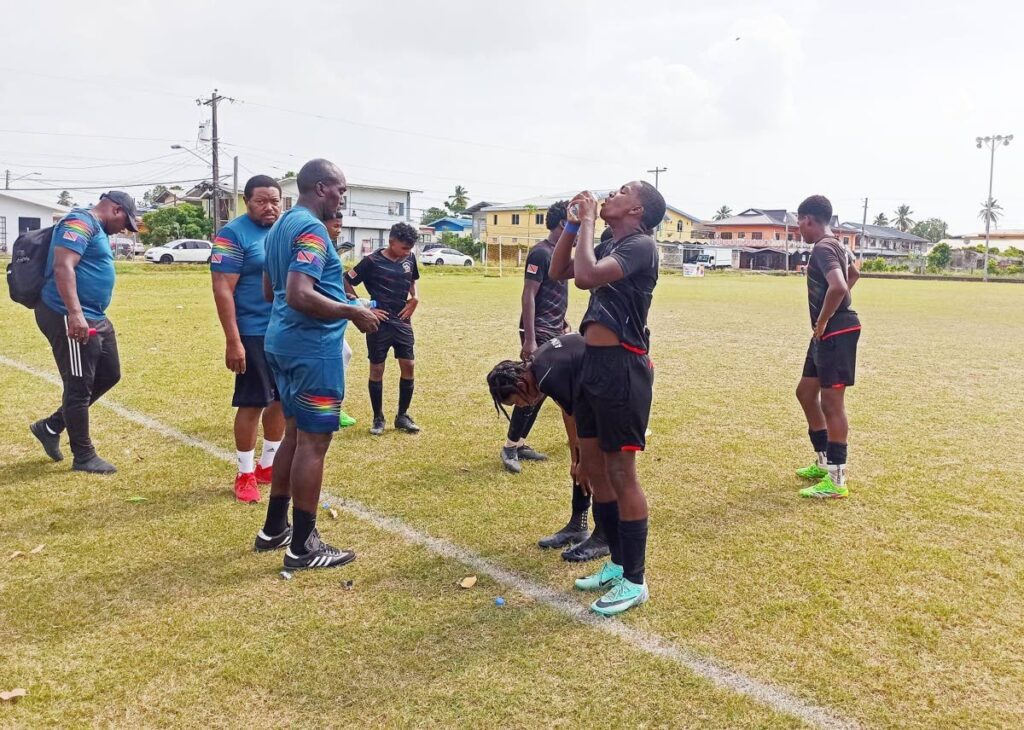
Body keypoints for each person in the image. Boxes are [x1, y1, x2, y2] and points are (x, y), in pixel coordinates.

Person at [255, 158, 383, 570]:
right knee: (314, 443)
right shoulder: (310, 229)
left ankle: (275, 529)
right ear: (323, 188)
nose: (342, 198)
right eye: (341, 190)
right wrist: (352, 312)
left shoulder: (281, 226)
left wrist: (342, 301)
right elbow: (297, 292)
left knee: (294, 435)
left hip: (283, 342)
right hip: (313, 350)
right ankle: (304, 546)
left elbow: (267, 289)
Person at [549, 182, 665, 616]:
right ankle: (616, 562)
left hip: (624, 367)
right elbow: (559, 270)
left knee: (622, 471)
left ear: (636, 208)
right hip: (594, 365)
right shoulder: (607, 241)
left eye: (622, 191)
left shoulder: (641, 246)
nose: (611, 194)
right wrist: (570, 224)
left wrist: (590, 220)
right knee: (596, 468)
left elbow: (586, 277)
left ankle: (635, 580)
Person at [30, 191, 138, 474]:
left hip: (95, 315)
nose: (125, 229)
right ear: (116, 210)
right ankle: (84, 456)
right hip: (70, 315)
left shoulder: (96, 228)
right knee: (78, 386)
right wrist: (75, 314)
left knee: (109, 374)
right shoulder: (79, 222)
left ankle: (51, 426)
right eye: (126, 222)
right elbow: (63, 266)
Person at [487, 332, 608, 563]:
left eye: (516, 401)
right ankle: (577, 526)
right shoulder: (538, 367)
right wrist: (576, 458)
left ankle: (603, 537)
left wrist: (584, 460)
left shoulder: (545, 374)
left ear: (521, 383)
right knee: (582, 465)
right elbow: (569, 410)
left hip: (616, 386)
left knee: (598, 464)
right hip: (595, 389)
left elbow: (581, 417)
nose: (522, 405)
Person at [210, 175, 286, 503]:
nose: (269, 207)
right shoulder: (232, 235)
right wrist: (233, 340)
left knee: (282, 399)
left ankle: (268, 465)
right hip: (252, 332)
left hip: (285, 330)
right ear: (247, 201)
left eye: (275, 201)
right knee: (253, 402)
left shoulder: (285, 230)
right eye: (261, 201)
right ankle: (244, 473)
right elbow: (222, 288)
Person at [793, 195, 861, 499]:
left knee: (832, 403)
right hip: (829, 331)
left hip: (834, 330)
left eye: (799, 223)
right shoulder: (838, 244)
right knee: (806, 392)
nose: (799, 230)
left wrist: (823, 319)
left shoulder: (822, 247)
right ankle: (823, 462)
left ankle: (836, 480)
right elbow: (854, 273)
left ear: (809, 219)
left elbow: (839, 286)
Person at [500, 200, 569, 475]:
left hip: (553, 328)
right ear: (564, 224)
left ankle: (520, 443)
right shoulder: (541, 253)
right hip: (537, 331)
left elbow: (555, 295)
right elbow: (529, 294)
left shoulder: (560, 254)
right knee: (531, 389)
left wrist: (562, 322)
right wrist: (530, 339)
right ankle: (509, 447)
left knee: (540, 392)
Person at [344, 222, 421, 436]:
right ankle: (378, 418)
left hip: (403, 320)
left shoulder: (410, 258)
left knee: (409, 364)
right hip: (379, 321)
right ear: (391, 242)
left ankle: (402, 416)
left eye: (410, 248)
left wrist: (415, 298)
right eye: (405, 248)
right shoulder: (371, 261)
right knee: (377, 368)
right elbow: (346, 280)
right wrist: (360, 305)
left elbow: (413, 280)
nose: (408, 252)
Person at [323, 210, 356, 429]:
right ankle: (328, 411)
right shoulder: (314, 245)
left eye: (341, 225)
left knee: (344, 353)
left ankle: (334, 408)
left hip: (332, 315)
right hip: (316, 316)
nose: (339, 229)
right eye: (336, 225)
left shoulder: (330, 249)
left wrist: (346, 296)